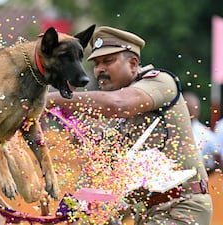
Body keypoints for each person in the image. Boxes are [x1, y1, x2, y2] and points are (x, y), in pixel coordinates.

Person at [47, 26, 212, 224]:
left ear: (133, 64)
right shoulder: (114, 122)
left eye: (108, 61)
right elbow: (103, 173)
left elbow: (119, 104)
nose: (100, 69)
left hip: (182, 208)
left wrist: (50, 100)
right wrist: (77, 207)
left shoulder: (160, 81)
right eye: (97, 63)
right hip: (146, 212)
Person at [183, 91, 219, 174]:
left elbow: (217, 156)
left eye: (194, 108)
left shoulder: (205, 133)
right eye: (188, 107)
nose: (191, 111)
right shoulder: (171, 128)